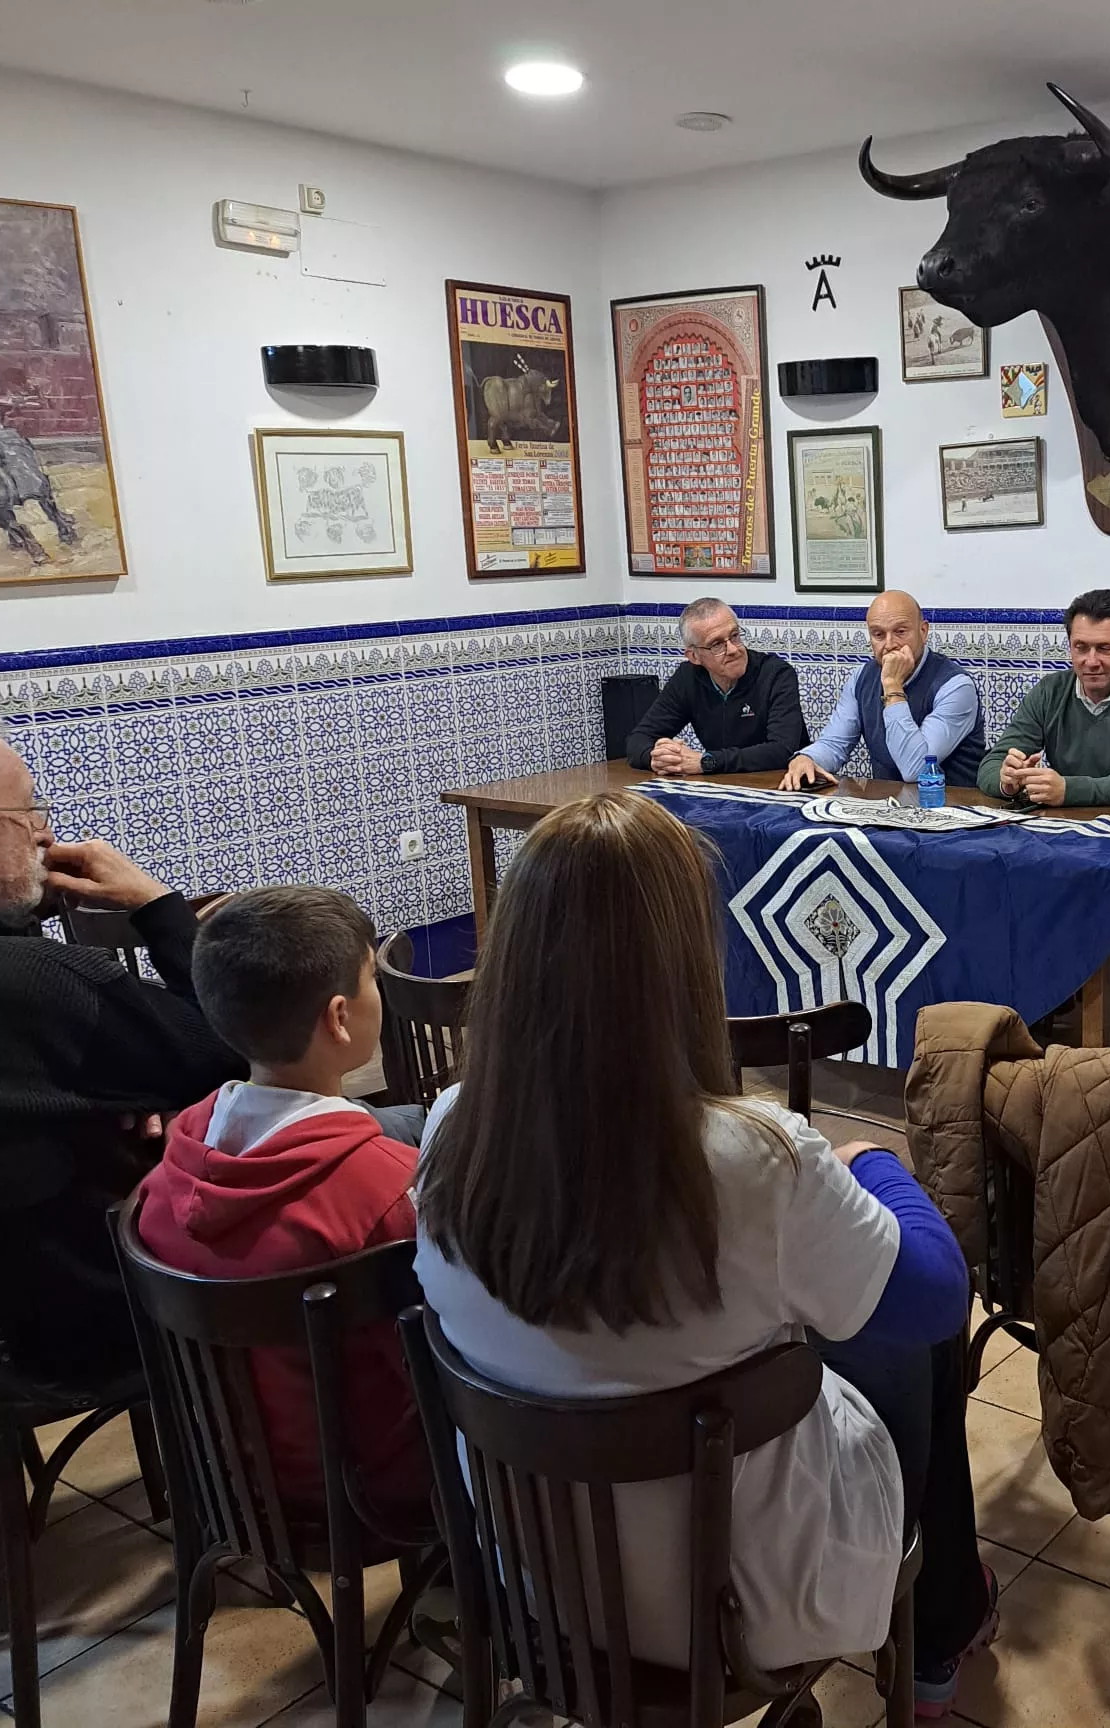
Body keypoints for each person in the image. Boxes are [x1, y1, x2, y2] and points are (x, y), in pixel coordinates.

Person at [413, 792, 997, 1713]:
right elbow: (933, 1293)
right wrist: (877, 1165)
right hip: (738, 1605)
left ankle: (947, 1617)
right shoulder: (756, 1159)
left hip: (542, 1594)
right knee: (899, 1334)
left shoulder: (451, 1133)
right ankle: (936, 1633)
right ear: (684, 961)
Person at [136, 886, 429, 1513]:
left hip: (230, 1475)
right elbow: (434, 1365)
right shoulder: (386, 1190)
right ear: (339, 1017)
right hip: (366, 1489)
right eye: (370, 977)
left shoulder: (175, 1158)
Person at [0, 718, 246, 1387]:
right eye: (29, 813)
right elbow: (239, 1046)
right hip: (86, 1320)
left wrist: (112, 1100)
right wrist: (160, 908)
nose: (47, 834)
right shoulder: (36, 981)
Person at [977, 589, 1110, 1042]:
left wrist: (1069, 788)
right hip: (1065, 843)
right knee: (1001, 882)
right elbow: (991, 765)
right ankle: (1040, 999)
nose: (1091, 661)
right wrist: (1008, 779)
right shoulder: (1050, 692)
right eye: (1081, 647)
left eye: (1106, 649)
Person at [781, 590, 984, 790]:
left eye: (900, 632)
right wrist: (807, 758)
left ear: (923, 631)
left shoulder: (956, 686)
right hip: (888, 806)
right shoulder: (861, 677)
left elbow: (915, 769)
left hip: (954, 809)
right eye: (878, 634)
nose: (889, 645)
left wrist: (892, 687)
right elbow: (835, 744)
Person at [626, 599, 808, 777]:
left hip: (780, 785)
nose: (733, 650)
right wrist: (658, 758)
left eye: (735, 636)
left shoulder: (776, 674)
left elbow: (782, 750)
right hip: (722, 786)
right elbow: (638, 740)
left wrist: (707, 762)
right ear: (694, 656)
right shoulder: (688, 678)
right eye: (717, 644)